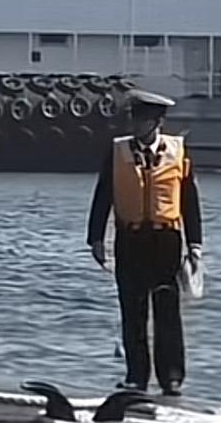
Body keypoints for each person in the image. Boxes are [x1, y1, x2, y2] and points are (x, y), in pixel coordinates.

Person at [87, 90, 203, 396]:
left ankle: (171, 377)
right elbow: (103, 194)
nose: (135, 125)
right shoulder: (118, 152)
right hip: (131, 238)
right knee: (133, 309)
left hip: (166, 240)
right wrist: (96, 238)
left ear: (157, 122)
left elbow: (189, 199)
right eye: (133, 119)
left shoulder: (178, 152)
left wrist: (195, 244)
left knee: (167, 311)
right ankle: (136, 376)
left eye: (142, 120)